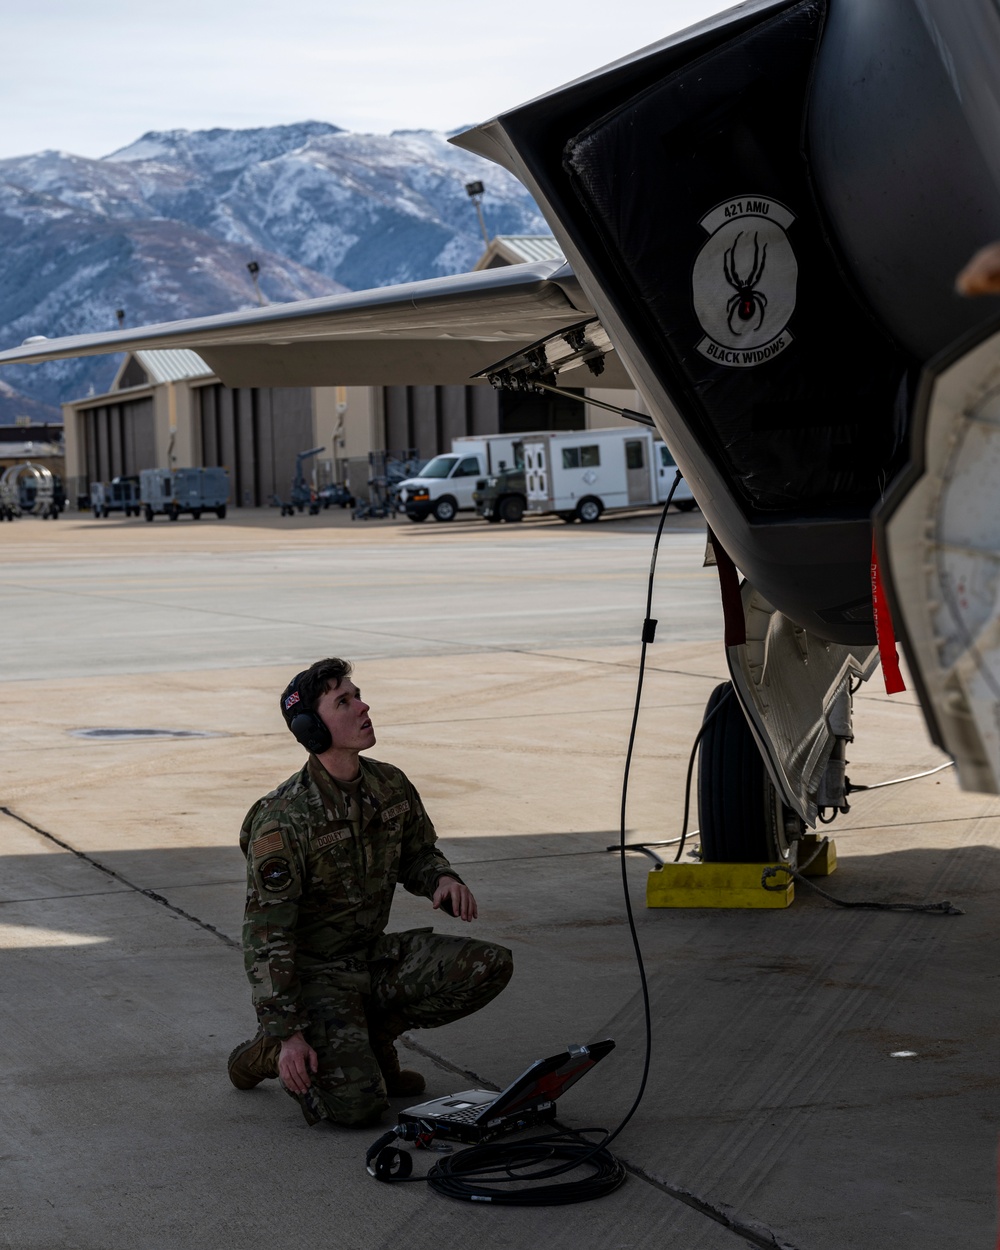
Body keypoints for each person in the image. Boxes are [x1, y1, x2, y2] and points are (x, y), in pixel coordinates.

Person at [227, 656, 513, 1127]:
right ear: (312, 728)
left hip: (371, 957)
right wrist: (288, 1032)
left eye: (357, 695)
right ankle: (267, 1050)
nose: (363, 707)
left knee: (488, 965)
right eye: (344, 701)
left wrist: (442, 879)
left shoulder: (390, 784)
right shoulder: (284, 818)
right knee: (356, 1110)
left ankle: (372, 1036)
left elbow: (419, 852)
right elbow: (265, 937)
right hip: (315, 977)